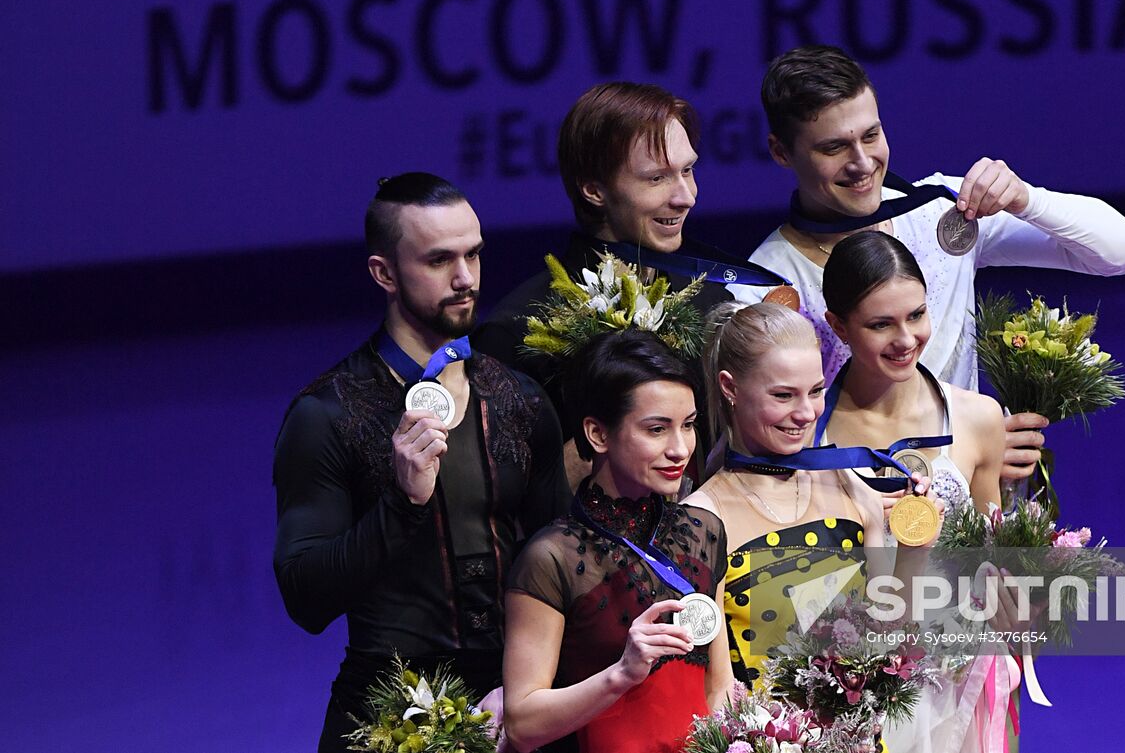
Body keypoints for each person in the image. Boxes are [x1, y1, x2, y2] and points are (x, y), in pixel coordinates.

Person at [730, 44, 1125, 486]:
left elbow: (1123, 252)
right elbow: (762, 447)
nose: (861, 163)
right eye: (834, 147)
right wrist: (964, 453)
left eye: (871, 136)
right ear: (780, 151)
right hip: (852, 527)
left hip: (980, 502)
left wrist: (1028, 198)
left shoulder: (940, 213)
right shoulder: (762, 286)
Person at [272, 173, 570, 753]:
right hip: (386, 716)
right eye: (439, 261)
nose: (465, 280)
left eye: (474, 255)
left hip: (518, 705)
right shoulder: (326, 414)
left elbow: (561, 568)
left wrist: (528, 684)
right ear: (384, 273)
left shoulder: (522, 398)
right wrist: (402, 503)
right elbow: (306, 599)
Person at [474, 82, 778, 485]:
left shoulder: (712, 304)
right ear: (594, 189)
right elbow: (502, 497)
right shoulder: (517, 332)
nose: (685, 196)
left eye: (687, 170)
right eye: (656, 179)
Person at [820, 231, 1017, 753]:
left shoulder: (978, 417)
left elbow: (992, 557)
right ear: (837, 325)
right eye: (880, 324)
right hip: (852, 686)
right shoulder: (807, 435)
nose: (905, 338)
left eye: (916, 315)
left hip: (962, 682)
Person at [503, 329, 732, 753]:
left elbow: (720, 689)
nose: (680, 449)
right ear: (598, 434)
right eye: (657, 429)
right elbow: (521, 724)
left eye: (689, 425)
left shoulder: (704, 533)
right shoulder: (551, 557)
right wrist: (621, 673)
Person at [684, 302, 932, 690]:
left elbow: (891, 642)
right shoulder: (699, 521)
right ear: (729, 387)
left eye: (816, 391)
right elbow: (713, 695)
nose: (805, 413)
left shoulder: (849, 485)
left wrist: (916, 550)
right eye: (783, 396)